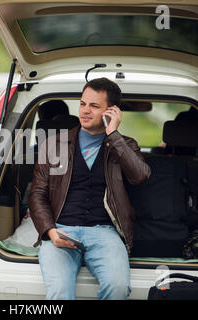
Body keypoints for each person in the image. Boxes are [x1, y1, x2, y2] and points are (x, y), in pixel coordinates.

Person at [28, 77, 151, 300]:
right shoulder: (54, 144)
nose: (85, 111)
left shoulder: (125, 145)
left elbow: (140, 176)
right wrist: (50, 231)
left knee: (118, 287)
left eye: (94, 106)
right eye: (83, 103)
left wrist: (113, 135)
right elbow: (37, 194)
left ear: (111, 111)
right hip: (61, 229)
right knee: (59, 293)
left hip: (105, 232)